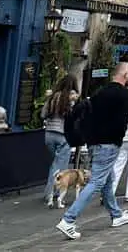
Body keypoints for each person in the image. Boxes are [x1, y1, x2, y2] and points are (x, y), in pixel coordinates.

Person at [56, 62, 128, 240]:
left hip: (93, 142)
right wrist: (117, 138)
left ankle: (116, 215)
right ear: (124, 75)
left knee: (107, 179)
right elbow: (123, 120)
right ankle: (68, 220)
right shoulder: (124, 94)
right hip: (109, 143)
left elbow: (88, 115)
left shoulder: (99, 92)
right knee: (97, 181)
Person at [42, 75, 79, 207]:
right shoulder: (70, 98)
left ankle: (49, 192)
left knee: (55, 164)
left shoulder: (52, 97)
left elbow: (43, 114)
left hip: (49, 134)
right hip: (63, 135)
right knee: (60, 167)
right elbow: (73, 117)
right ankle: (53, 194)